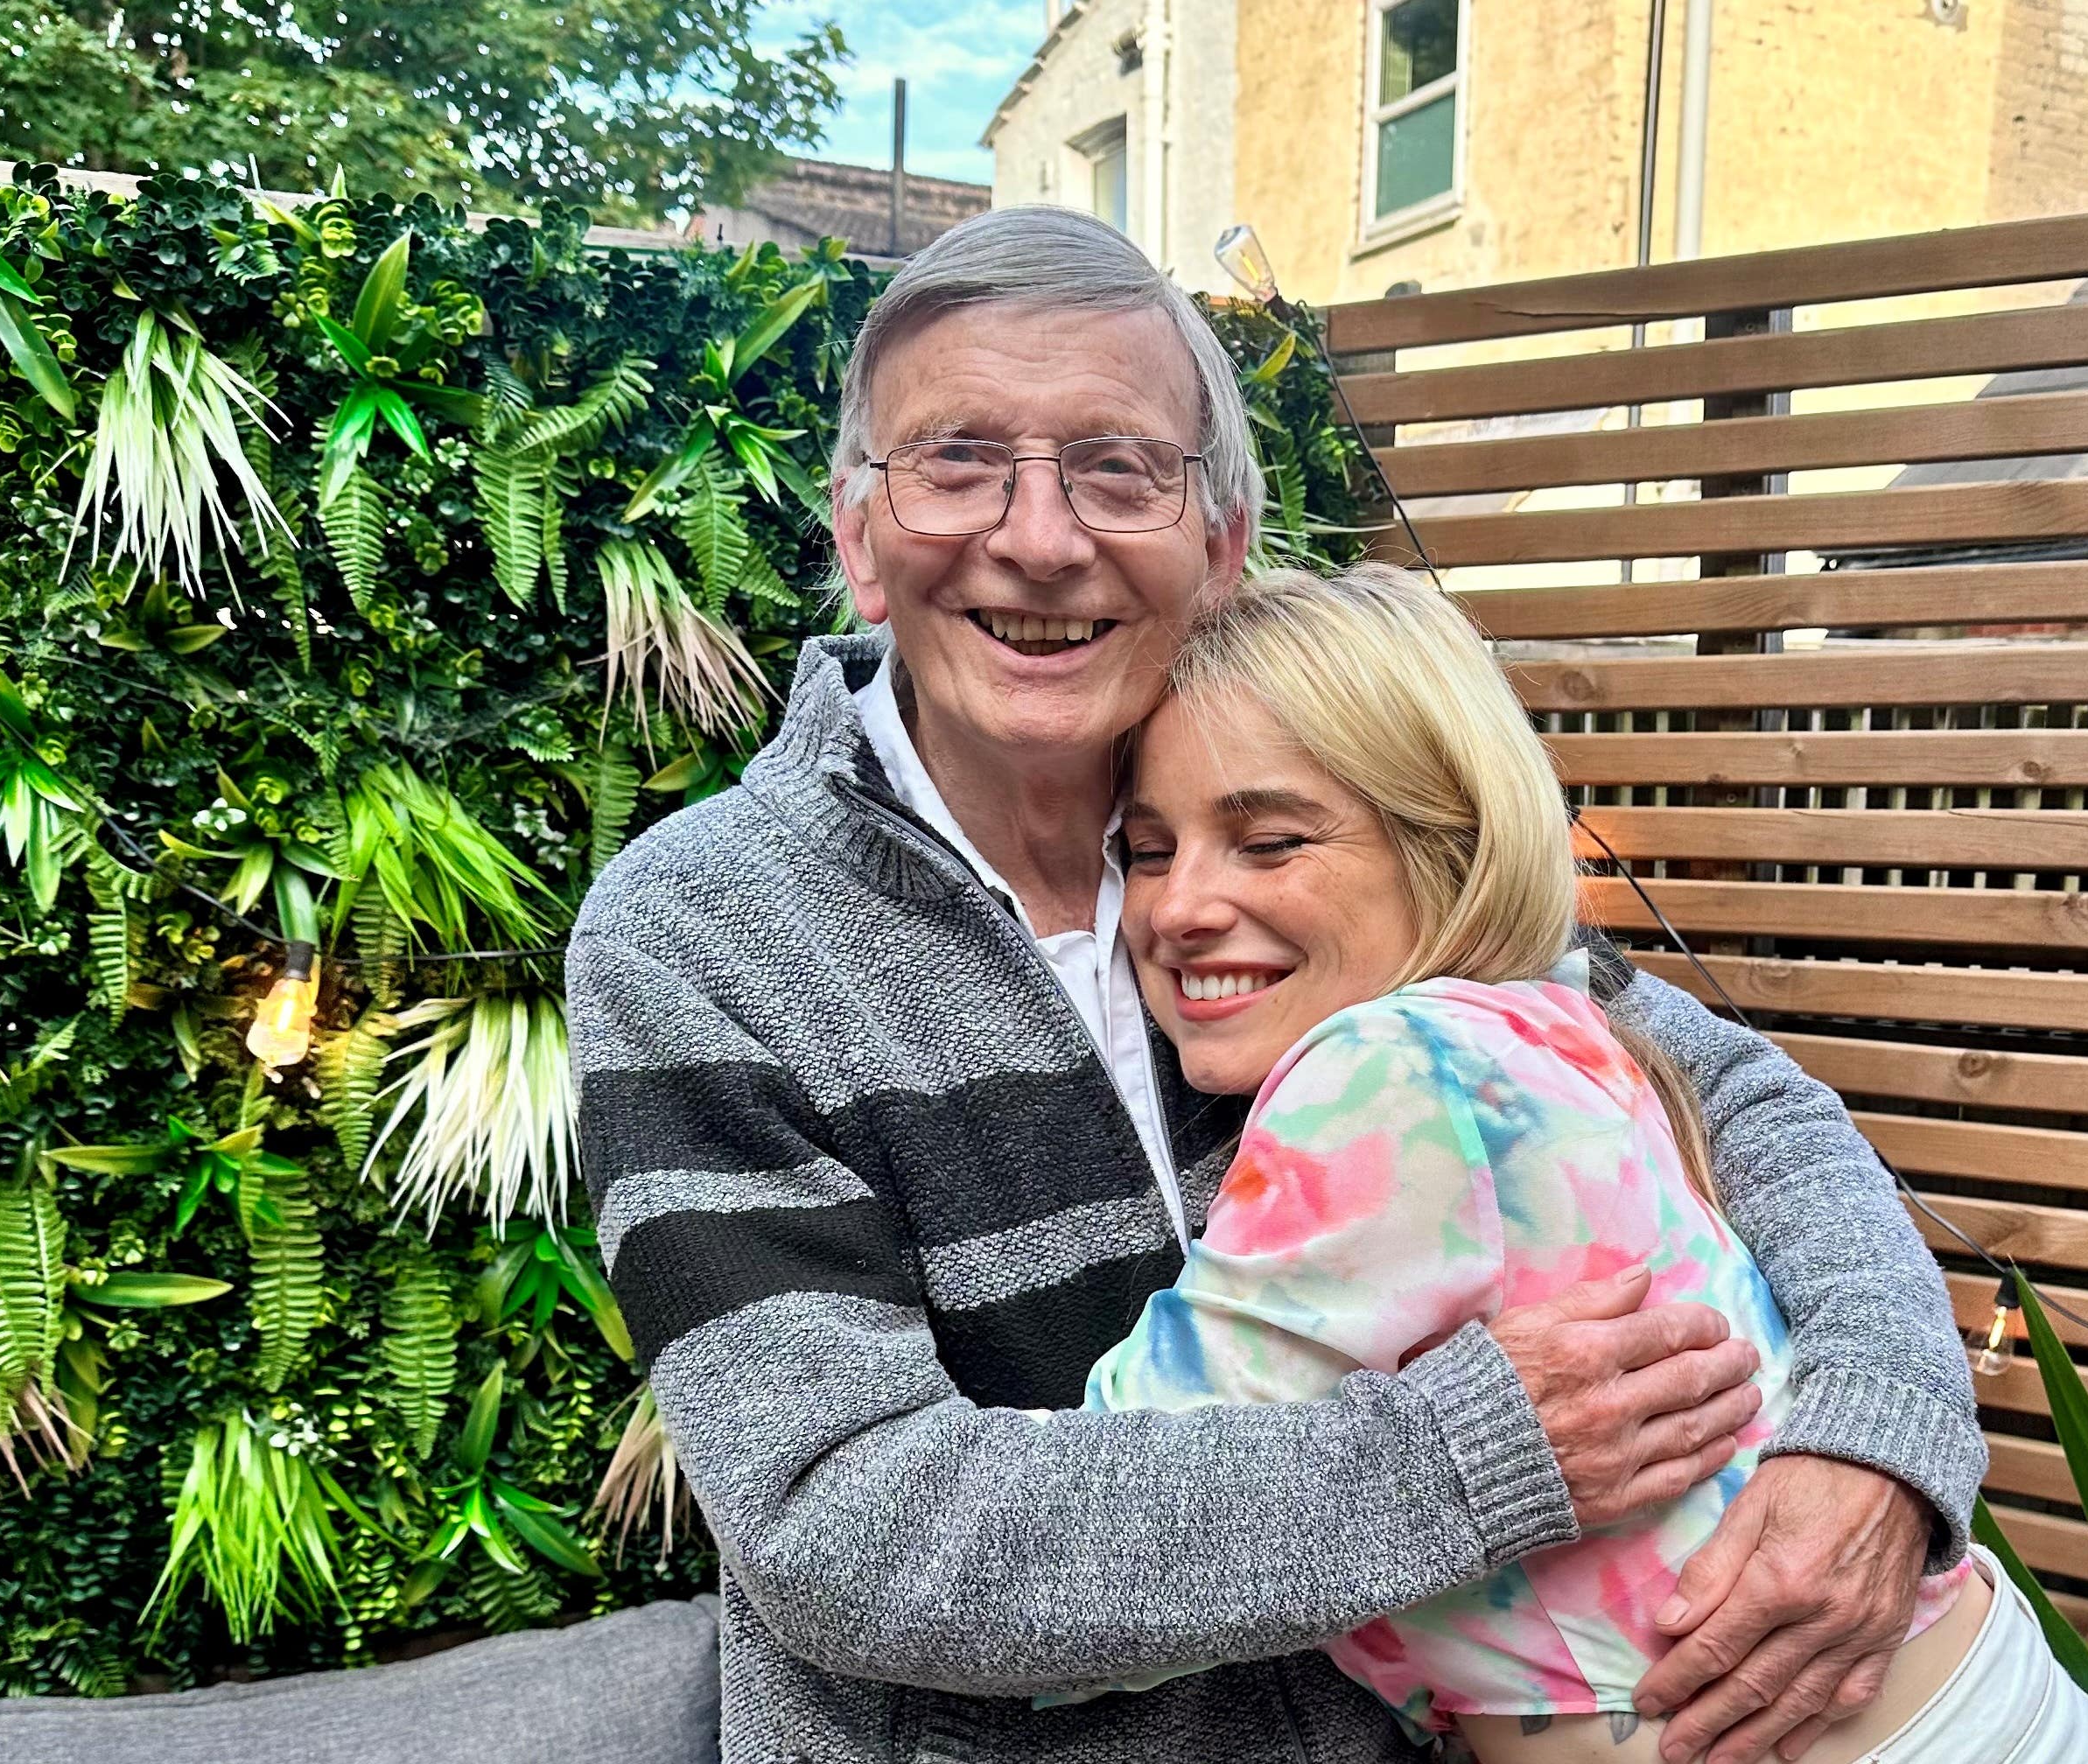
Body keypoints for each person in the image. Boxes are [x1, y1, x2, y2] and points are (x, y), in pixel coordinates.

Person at [566, 206, 1983, 1764]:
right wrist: (1455, 1463)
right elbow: (845, 1529)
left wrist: (1880, 1439)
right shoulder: (706, 932)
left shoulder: (1299, 818)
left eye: (1118, 468)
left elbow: (1740, 1098)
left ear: (1223, 541)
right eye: (957, 459)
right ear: (857, 535)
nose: (1039, 537)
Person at [1080, 564, 2088, 1764]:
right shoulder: (1551, 1016)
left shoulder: (1385, 1070)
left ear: (1448, 841)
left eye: (1269, 841)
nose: (1177, 909)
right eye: (1148, 851)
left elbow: (1100, 1557)